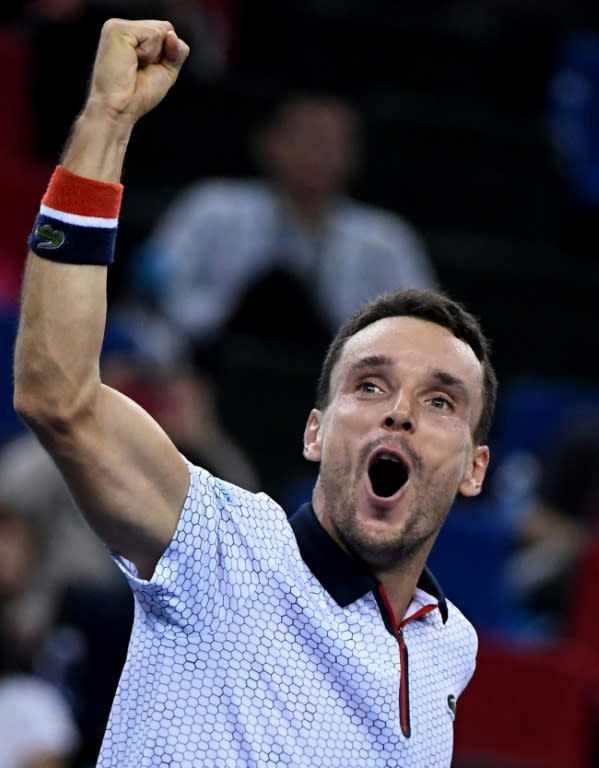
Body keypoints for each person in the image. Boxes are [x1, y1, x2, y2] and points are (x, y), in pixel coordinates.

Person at [13, 18, 496, 768]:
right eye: (369, 385)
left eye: (441, 401)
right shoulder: (219, 543)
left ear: (474, 467)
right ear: (313, 433)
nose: (401, 409)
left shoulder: (449, 645)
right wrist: (105, 124)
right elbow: (58, 395)